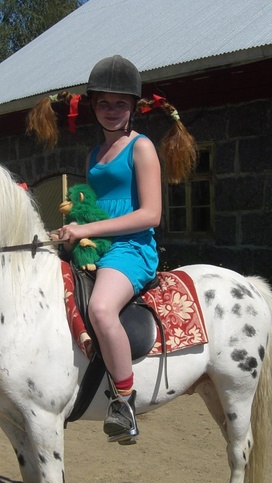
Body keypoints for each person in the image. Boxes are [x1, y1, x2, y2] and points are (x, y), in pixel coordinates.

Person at [27, 55, 197, 444]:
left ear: (133, 107)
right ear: (93, 107)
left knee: (102, 309)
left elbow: (151, 214)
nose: (111, 110)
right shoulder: (94, 156)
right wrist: (71, 231)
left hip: (132, 249)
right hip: (98, 246)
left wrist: (87, 228)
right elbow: (96, 209)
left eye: (120, 103)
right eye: (103, 103)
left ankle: (124, 402)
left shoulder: (141, 148)